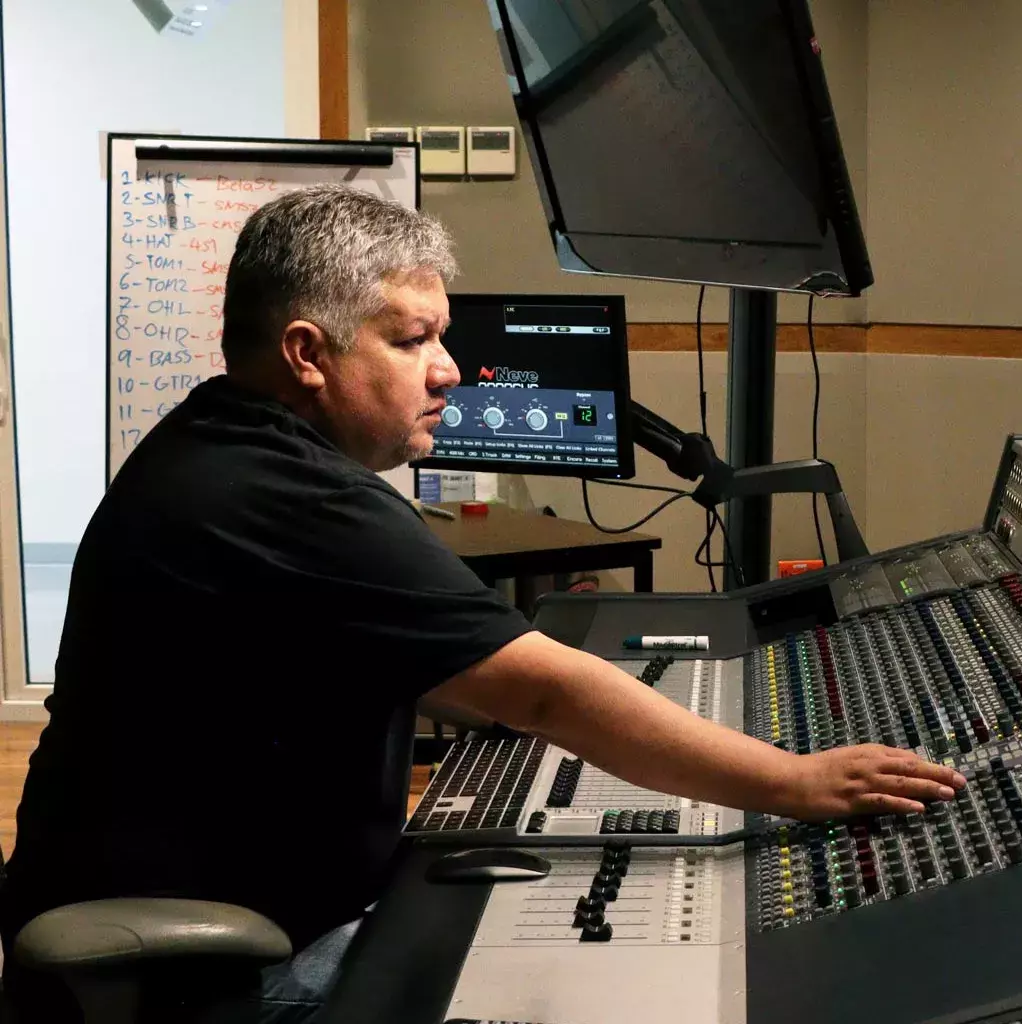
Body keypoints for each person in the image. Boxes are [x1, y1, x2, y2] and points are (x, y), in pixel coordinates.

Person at [0, 185, 963, 1021]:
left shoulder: (216, 443)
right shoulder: (287, 498)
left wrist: (538, 688)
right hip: (223, 975)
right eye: (411, 339)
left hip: (231, 911)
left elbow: (419, 670)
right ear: (307, 352)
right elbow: (545, 696)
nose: (449, 370)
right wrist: (793, 783)